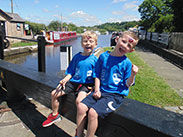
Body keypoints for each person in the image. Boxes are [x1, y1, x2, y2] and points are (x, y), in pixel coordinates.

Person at [76, 31, 139, 137]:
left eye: (129, 45)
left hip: (114, 95)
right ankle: (78, 133)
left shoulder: (126, 63)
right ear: (117, 39)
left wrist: (133, 74)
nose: (124, 46)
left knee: (92, 113)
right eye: (123, 41)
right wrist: (97, 89)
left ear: (131, 50)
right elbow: (97, 75)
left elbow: (128, 84)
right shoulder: (103, 57)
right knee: (81, 106)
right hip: (101, 90)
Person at [42, 31, 98, 127]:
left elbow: (96, 76)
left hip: (86, 84)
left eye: (91, 41)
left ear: (95, 44)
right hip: (73, 82)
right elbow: (71, 71)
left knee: (79, 101)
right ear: (81, 44)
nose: (88, 43)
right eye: (85, 41)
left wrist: (93, 88)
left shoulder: (95, 60)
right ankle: (55, 115)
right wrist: (65, 79)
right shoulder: (77, 57)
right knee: (54, 94)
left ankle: (80, 126)